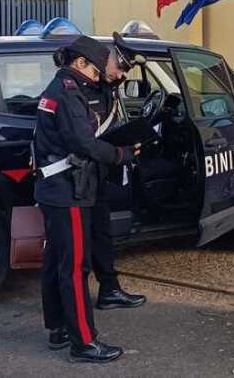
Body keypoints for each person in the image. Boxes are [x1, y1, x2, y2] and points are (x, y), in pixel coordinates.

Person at [33, 35, 137, 364]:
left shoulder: (61, 87)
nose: (97, 77)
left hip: (56, 190)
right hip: (69, 192)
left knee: (56, 264)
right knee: (75, 267)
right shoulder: (67, 94)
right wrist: (123, 154)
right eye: (95, 70)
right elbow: (85, 144)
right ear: (80, 64)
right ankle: (84, 342)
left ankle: (59, 329)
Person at [89, 47, 146, 310]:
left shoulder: (104, 86)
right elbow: (86, 139)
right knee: (75, 246)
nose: (122, 75)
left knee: (101, 233)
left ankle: (109, 289)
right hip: (79, 177)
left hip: (96, 174)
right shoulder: (82, 89)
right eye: (120, 68)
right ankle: (69, 315)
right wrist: (120, 153)